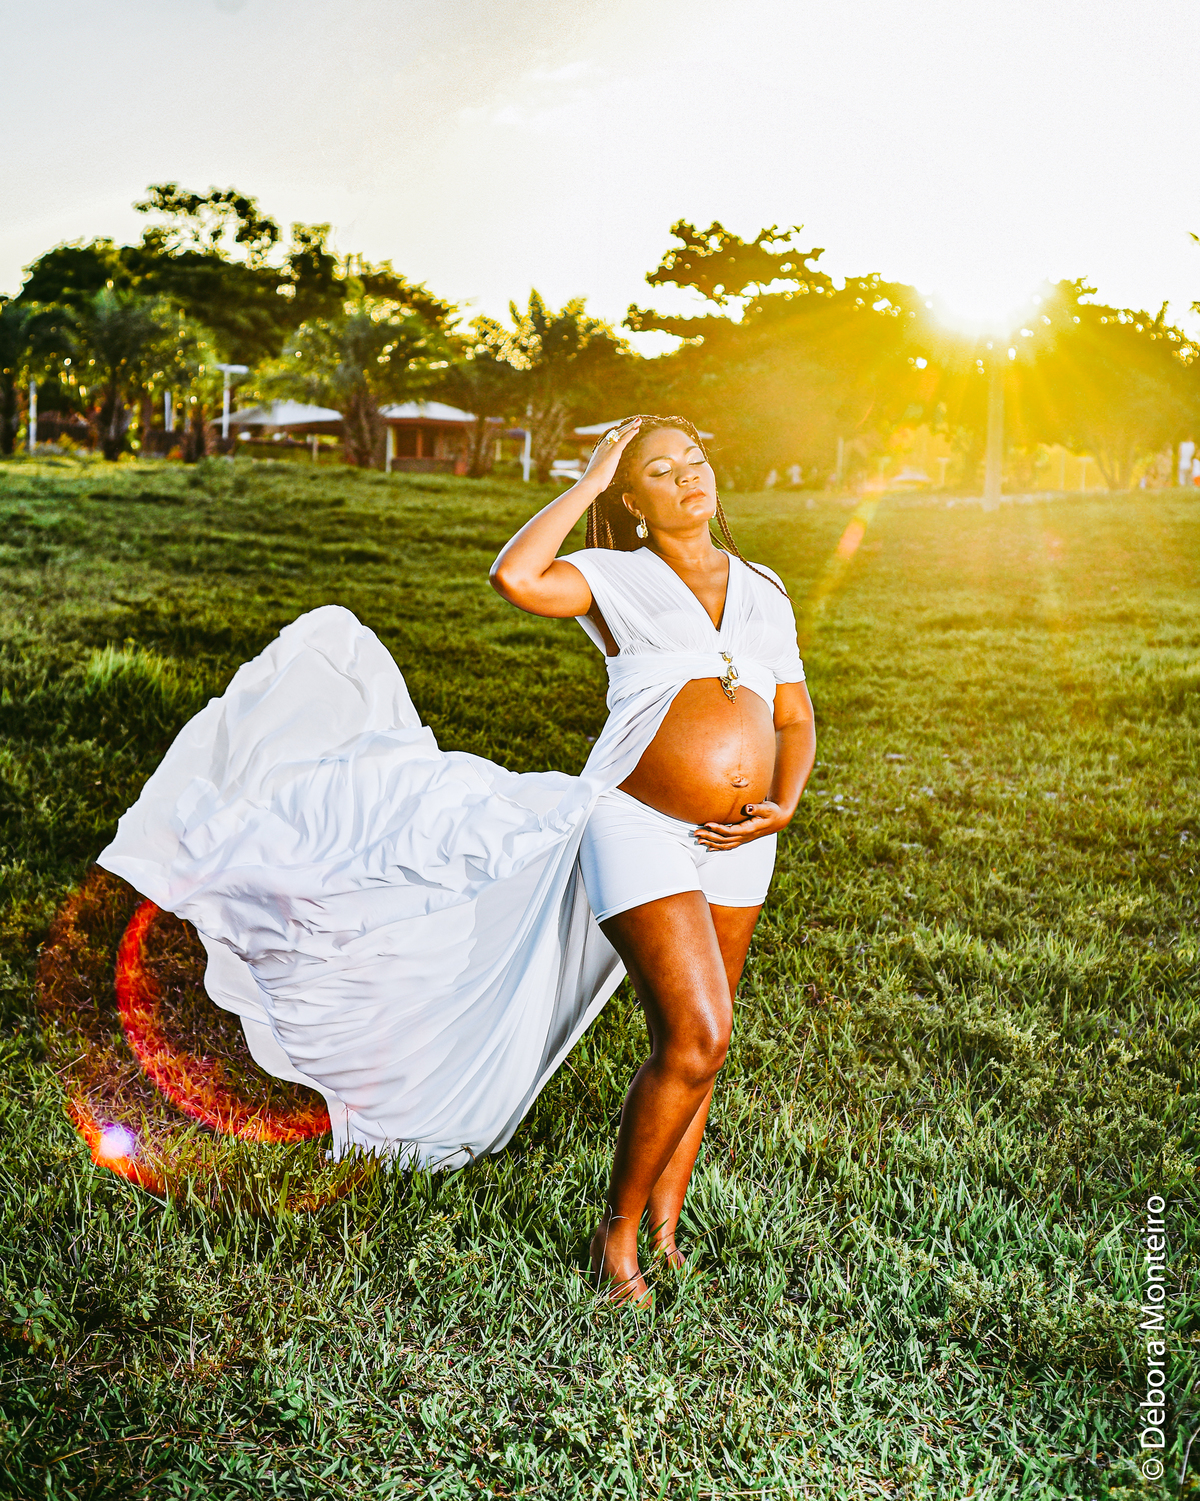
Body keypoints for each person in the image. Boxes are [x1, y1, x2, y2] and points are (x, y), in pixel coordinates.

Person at [98, 414, 815, 1305]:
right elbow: (516, 575)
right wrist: (587, 484)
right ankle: (618, 1237)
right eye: (659, 472)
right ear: (633, 500)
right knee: (697, 1032)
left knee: (707, 1045)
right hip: (638, 823)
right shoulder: (613, 576)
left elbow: (792, 715)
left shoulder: (764, 589)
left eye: (695, 461)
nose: (686, 479)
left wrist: (784, 800)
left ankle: (667, 1227)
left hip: (748, 837)